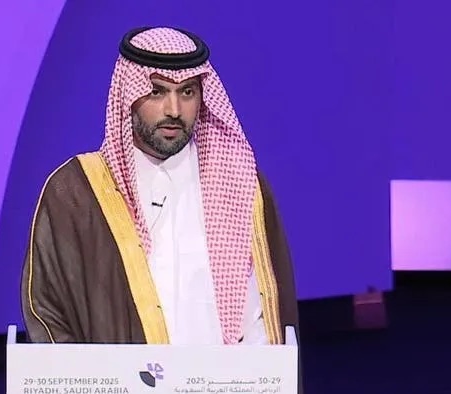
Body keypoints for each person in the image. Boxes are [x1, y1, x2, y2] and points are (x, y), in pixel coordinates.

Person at [21, 26, 300, 349]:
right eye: (157, 91)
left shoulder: (240, 184)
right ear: (129, 95)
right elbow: (47, 312)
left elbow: (261, 319)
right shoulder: (76, 192)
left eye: (187, 92)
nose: (174, 110)